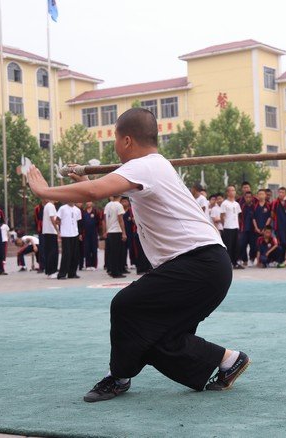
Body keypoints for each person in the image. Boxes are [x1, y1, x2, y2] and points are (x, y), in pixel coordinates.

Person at [27, 107, 248, 402]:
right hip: (207, 266)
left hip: (199, 263)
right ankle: (228, 360)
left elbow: (94, 192)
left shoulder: (144, 166)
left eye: (116, 141)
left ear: (127, 140)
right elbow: (101, 189)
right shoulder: (153, 167)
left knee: (125, 306)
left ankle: (119, 378)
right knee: (158, 337)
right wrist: (81, 177)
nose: (116, 148)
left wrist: (44, 191)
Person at [57, 202, 82, 279]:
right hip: (65, 234)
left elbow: (78, 222)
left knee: (75, 254)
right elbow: (57, 220)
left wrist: (80, 234)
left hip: (75, 233)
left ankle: (72, 273)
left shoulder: (77, 210)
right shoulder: (62, 208)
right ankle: (62, 274)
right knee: (66, 254)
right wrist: (59, 231)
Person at [220, 185, 243, 269]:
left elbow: (238, 216)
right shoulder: (224, 203)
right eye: (231, 190)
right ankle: (228, 262)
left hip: (235, 227)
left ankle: (235, 262)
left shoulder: (236, 204)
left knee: (236, 245)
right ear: (227, 192)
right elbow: (222, 216)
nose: (233, 192)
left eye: (234, 190)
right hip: (227, 227)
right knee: (228, 245)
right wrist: (224, 225)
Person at [104, 195, 127, 278]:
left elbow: (105, 219)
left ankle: (111, 270)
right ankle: (116, 272)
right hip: (116, 230)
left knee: (111, 253)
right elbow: (120, 220)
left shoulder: (108, 205)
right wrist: (124, 232)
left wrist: (106, 230)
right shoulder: (119, 205)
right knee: (117, 253)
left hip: (110, 231)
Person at [271, 187, 286, 264]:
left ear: (285, 194)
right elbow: (272, 214)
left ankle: (283, 260)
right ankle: (278, 260)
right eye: (279, 192)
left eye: (283, 192)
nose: (281, 194)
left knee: (285, 243)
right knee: (280, 243)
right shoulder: (275, 202)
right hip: (278, 227)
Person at [237, 191, 256, 266]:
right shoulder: (242, 206)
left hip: (253, 229)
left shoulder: (254, 206)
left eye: (249, 197)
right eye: (246, 197)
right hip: (244, 229)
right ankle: (244, 259)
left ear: (252, 198)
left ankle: (251, 259)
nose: (248, 198)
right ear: (244, 198)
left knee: (253, 245)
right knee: (242, 244)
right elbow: (238, 216)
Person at [42, 200, 59, 278]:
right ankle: (52, 271)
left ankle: (49, 271)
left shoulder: (47, 206)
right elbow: (52, 219)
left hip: (47, 231)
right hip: (51, 231)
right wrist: (58, 230)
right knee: (53, 252)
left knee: (49, 252)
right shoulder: (51, 206)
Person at [82, 201, 101, 271]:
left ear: (92, 203)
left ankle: (94, 265)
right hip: (86, 233)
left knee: (94, 249)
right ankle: (88, 265)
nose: (88, 203)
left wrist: (99, 232)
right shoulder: (83, 212)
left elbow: (99, 222)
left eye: (90, 201)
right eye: (87, 202)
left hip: (94, 233)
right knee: (87, 249)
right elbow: (81, 223)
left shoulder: (96, 211)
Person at [121, 197, 135, 271]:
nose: (124, 203)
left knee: (132, 248)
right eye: (122, 201)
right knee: (123, 249)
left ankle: (133, 263)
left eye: (125, 201)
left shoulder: (131, 210)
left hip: (131, 232)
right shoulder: (120, 211)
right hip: (123, 233)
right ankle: (124, 264)